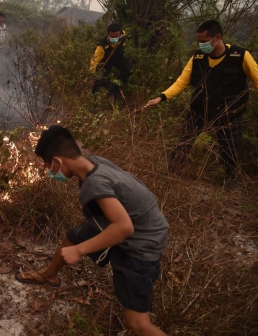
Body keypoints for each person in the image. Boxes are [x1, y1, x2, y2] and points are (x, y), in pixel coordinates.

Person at [16, 125, 168, 336]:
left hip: (141, 244)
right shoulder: (94, 162)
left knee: (137, 323)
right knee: (73, 237)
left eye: (46, 164)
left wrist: (80, 250)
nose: (46, 170)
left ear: (59, 161)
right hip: (139, 224)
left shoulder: (95, 185)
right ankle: (49, 275)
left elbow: (124, 227)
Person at [146, 20, 258, 185]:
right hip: (199, 109)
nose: (201, 45)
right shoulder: (197, 57)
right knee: (185, 140)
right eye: (199, 41)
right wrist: (161, 97)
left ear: (217, 37)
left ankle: (231, 179)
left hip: (228, 112)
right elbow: (181, 83)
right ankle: (172, 172)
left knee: (228, 147)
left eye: (204, 41)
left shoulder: (240, 55)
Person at [91, 23, 132, 101]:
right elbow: (94, 60)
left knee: (128, 69)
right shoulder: (102, 45)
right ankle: (95, 101)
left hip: (118, 58)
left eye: (117, 36)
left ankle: (115, 88)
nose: (115, 38)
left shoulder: (122, 35)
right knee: (100, 82)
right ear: (108, 34)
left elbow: (126, 33)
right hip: (106, 63)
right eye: (112, 37)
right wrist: (91, 74)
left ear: (120, 34)